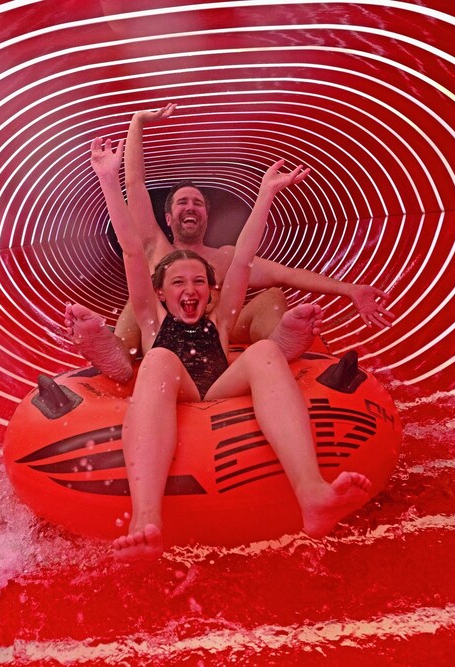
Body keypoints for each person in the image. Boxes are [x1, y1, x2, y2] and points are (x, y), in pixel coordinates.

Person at [80, 135, 372, 561]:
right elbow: (130, 248)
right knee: (158, 358)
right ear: (160, 292)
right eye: (178, 282)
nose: (190, 289)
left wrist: (266, 194)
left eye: (199, 281)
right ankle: (146, 520)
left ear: (211, 289)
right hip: (174, 386)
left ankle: (312, 493)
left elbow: (245, 258)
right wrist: (108, 180)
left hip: (217, 387)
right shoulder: (149, 317)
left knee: (265, 352)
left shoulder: (221, 319)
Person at [68, 103, 396, 383]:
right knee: (139, 299)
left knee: (272, 297)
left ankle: (280, 344)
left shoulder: (224, 258)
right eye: (182, 202)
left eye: (197, 203)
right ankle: (116, 355)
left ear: (206, 217)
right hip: (158, 329)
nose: (190, 207)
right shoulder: (155, 247)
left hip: (216, 331)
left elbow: (288, 274)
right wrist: (138, 122)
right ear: (168, 218)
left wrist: (351, 290)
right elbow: (135, 184)